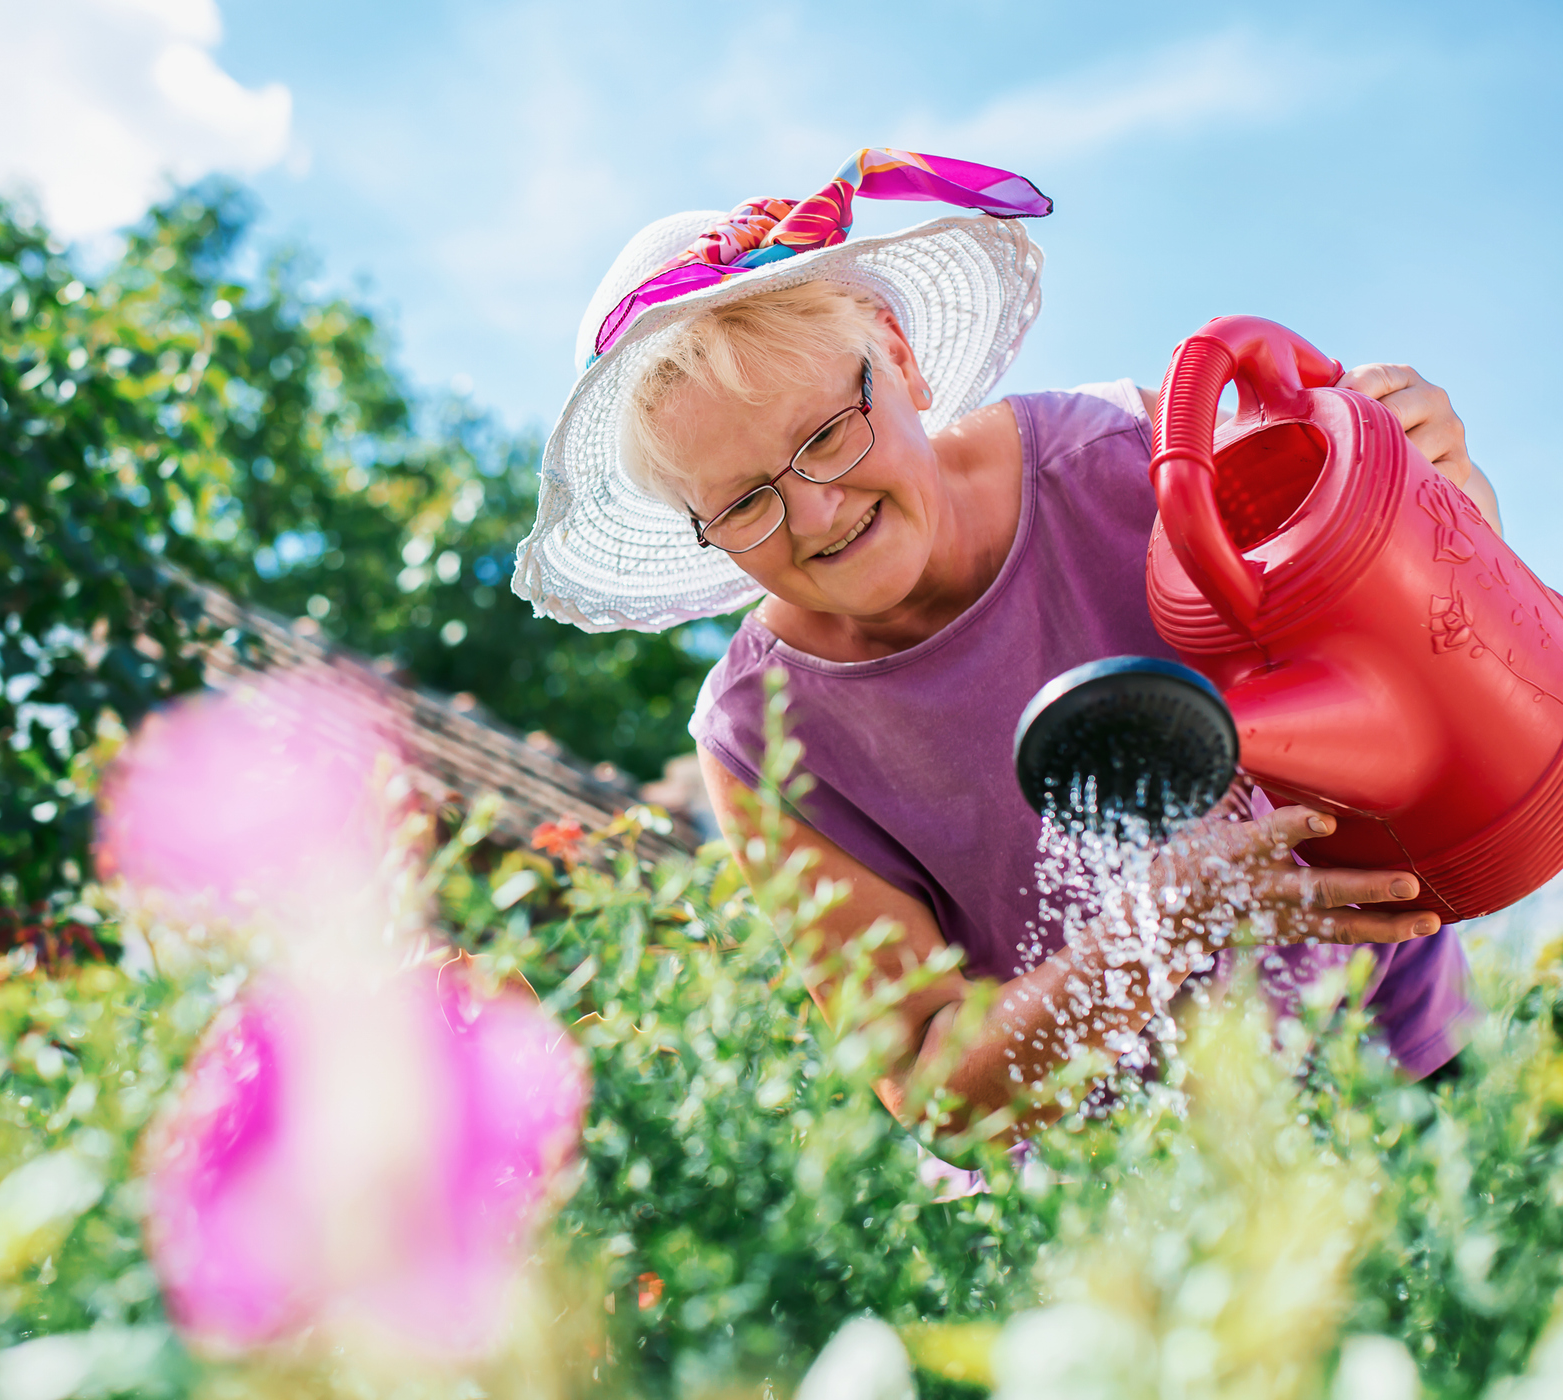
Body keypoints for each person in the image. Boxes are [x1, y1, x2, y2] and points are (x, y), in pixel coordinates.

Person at [514, 148, 1485, 1131]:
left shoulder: (1129, 461)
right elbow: (931, 1085)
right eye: (745, 503)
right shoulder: (762, 737)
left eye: (824, 435)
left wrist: (1440, 498)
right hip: (1115, 1192)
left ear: (897, 355)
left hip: (1392, 1058)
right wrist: (1160, 925)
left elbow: (1439, 649)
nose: (812, 514)